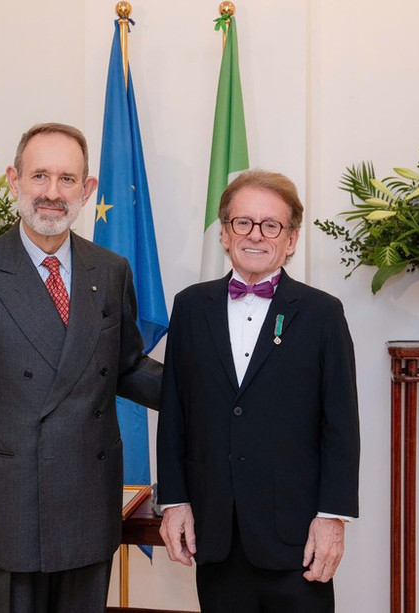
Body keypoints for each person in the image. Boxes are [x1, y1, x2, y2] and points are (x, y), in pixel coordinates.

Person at [0, 122, 162, 613]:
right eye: (39, 176)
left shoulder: (111, 269)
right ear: (14, 180)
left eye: (67, 179)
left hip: (90, 506)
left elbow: (127, 368)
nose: (52, 193)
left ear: (88, 189)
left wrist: (213, 385)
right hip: (3, 514)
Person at [156, 169, 360, 612]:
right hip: (216, 533)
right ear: (225, 233)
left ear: (291, 239)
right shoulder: (190, 307)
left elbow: (341, 425)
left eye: (272, 225)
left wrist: (332, 519)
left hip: (297, 538)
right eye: (243, 222)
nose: (256, 235)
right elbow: (176, 413)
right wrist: (174, 502)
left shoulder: (323, 314)